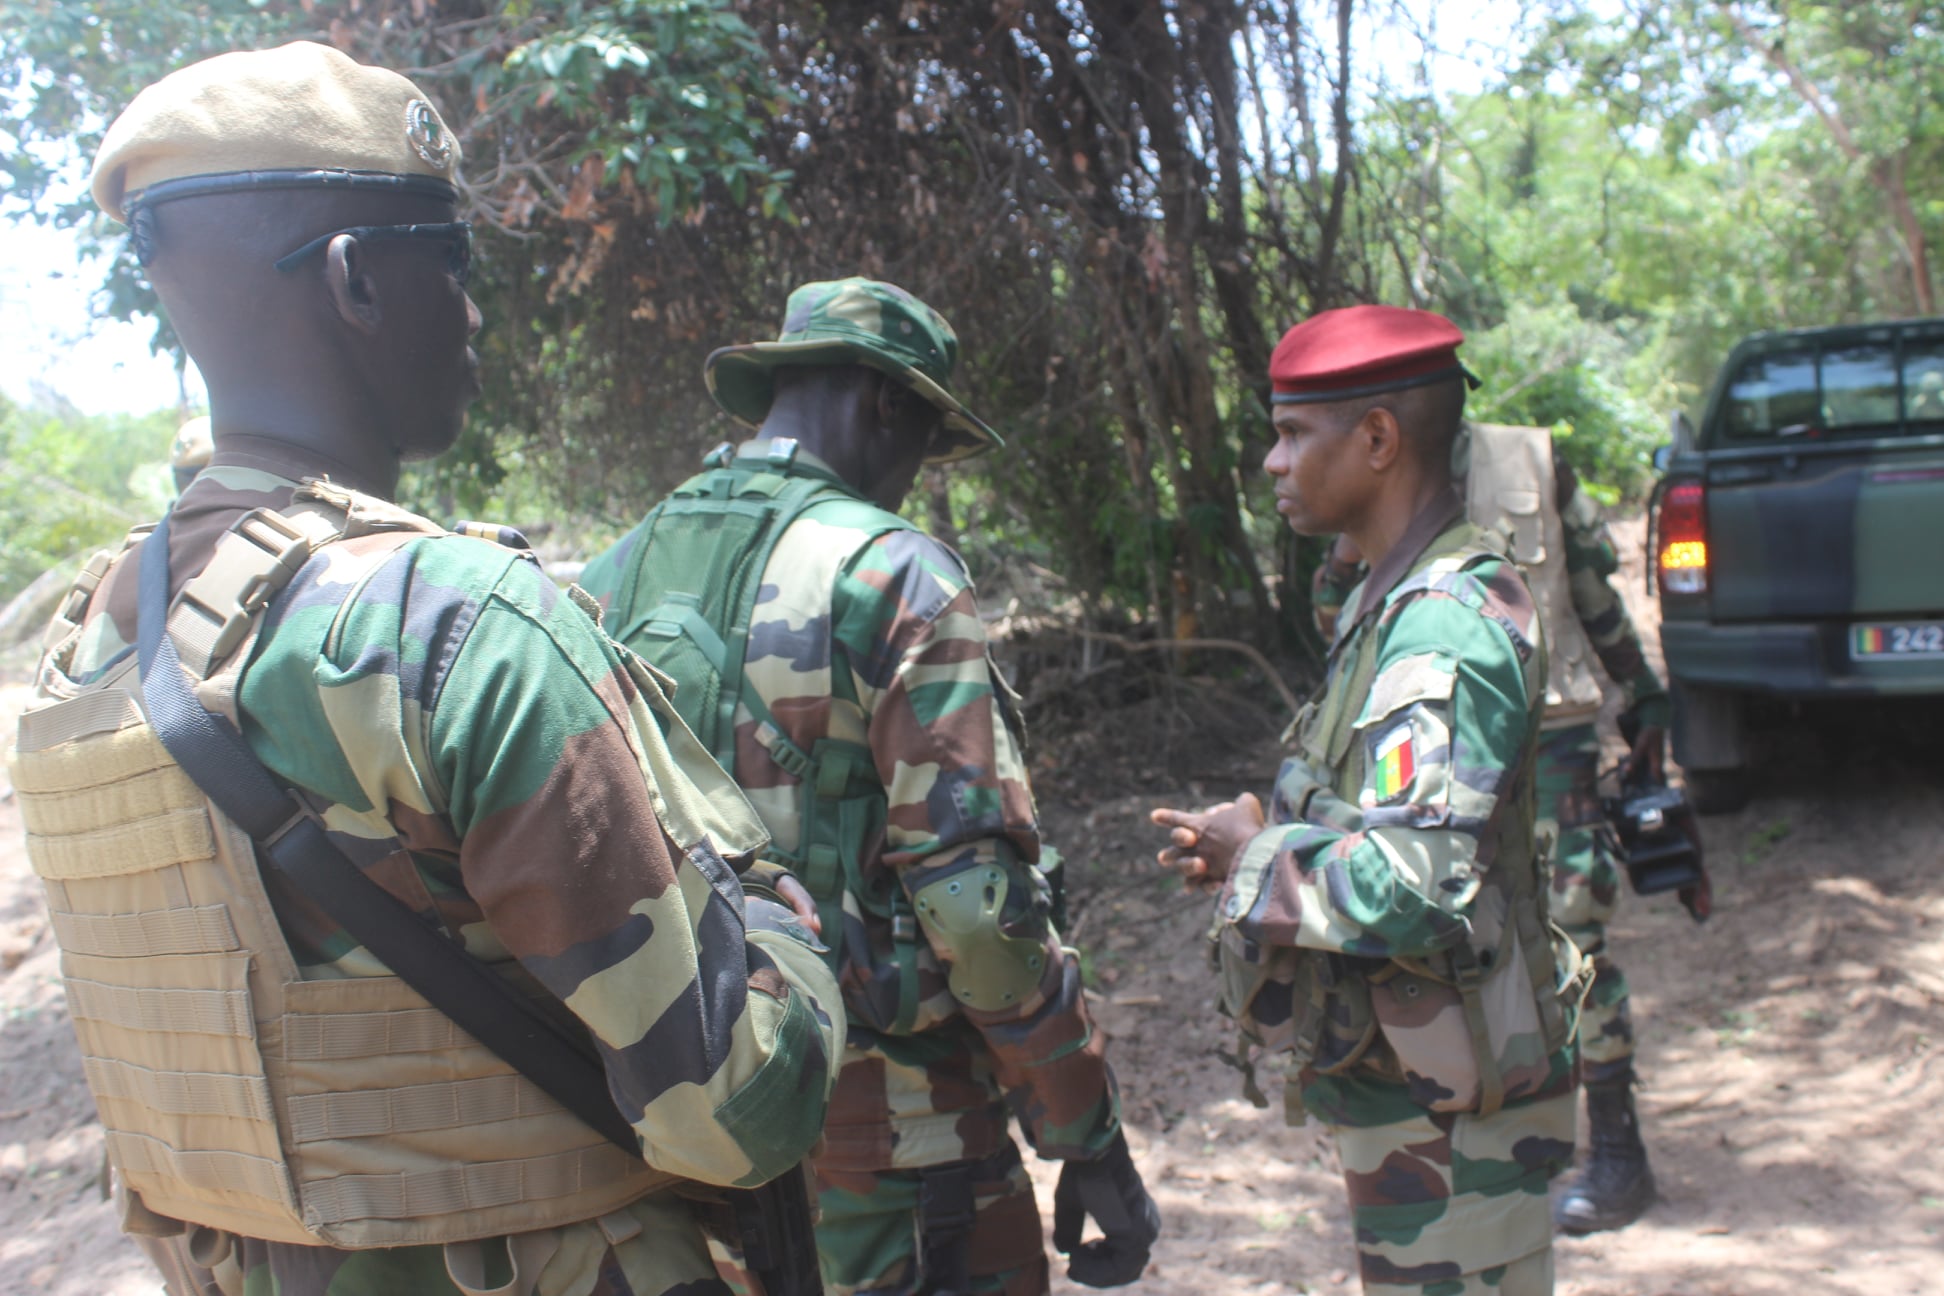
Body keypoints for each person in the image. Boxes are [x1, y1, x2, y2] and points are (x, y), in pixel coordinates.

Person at [6, 43, 843, 1296]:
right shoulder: (452, 622)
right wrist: (789, 932)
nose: (471, 311)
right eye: (449, 264)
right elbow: (733, 1112)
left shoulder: (80, 636)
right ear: (356, 279)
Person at [579, 278, 1159, 1296]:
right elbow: (976, 915)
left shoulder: (615, 570)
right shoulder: (892, 572)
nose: (912, 477)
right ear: (883, 402)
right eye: (923, 444)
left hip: (689, 1132)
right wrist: (1082, 1127)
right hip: (896, 1147)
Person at [1152, 306, 1586, 1295]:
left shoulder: (1442, 626)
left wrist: (1252, 858)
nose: (1271, 461)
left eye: (1293, 432)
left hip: (1456, 1136)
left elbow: (1416, 883)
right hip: (1415, 1098)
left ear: (1380, 440)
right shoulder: (1382, 600)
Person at [1312, 423, 1668, 1234]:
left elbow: (1592, 590)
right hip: (1432, 742)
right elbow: (1331, 614)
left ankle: (1618, 1153)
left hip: (1554, 733)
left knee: (1575, 929)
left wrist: (1643, 692)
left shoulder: (1536, 461)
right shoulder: (1365, 474)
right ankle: (1492, 1137)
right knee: (1449, 931)